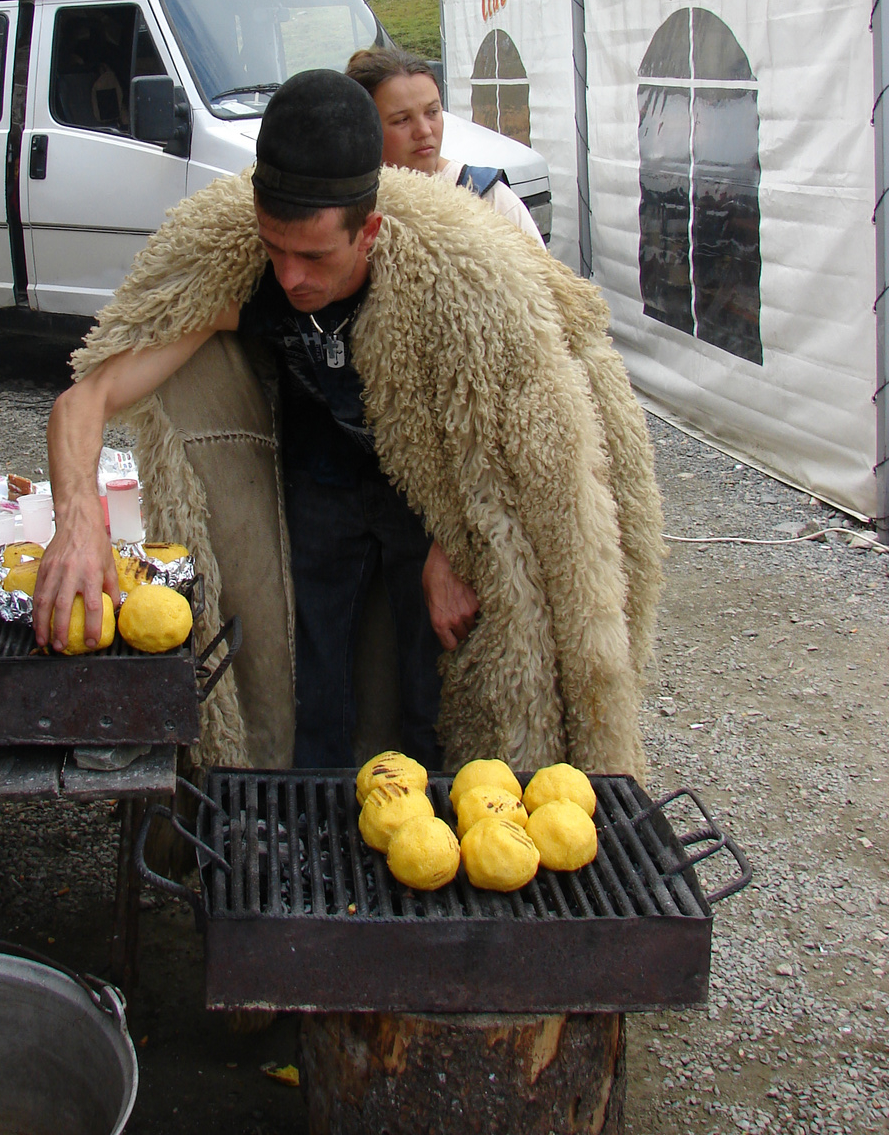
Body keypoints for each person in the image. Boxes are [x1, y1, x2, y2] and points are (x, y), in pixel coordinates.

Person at [34, 70, 662, 779]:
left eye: (314, 257)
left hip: (424, 493)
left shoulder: (454, 288)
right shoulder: (246, 276)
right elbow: (88, 397)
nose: (291, 276)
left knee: (436, 672)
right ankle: (310, 829)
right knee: (315, 669)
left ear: (369, 232)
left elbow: (510, 446)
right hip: (321, 478)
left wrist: (452, 546)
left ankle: (435, 815)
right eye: (275, 249)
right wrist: (78, 517)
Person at [346, 46, 545, 246]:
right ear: (364, 130)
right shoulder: (346, 212)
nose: (424, 130)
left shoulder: (489, 199)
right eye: (402, 120)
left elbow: (541, 276)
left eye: (432, 112)